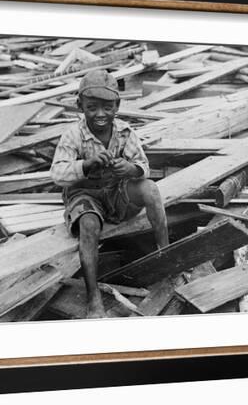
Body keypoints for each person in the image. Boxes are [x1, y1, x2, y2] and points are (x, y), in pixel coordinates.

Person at [50, 69, 169, 318]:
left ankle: (165, 256)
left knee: (151, 189)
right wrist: (87, 164)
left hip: (116, 194)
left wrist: (130, 169)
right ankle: (93, 298)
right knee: (89, 225)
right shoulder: (73, 135)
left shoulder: (125, 132)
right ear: (79, 105)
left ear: (117, 105)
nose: (100, 114)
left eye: (107, 107)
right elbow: (58, 174)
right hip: (85, 197)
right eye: (92, 107)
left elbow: (144, 166)